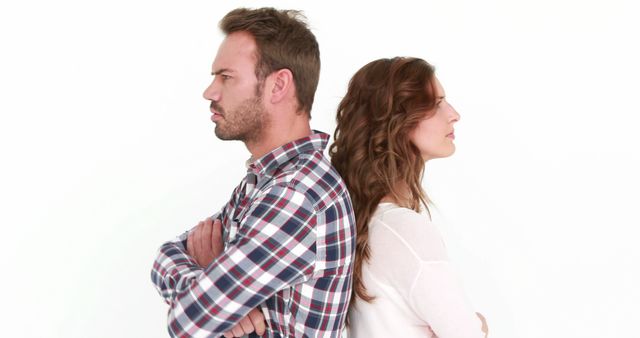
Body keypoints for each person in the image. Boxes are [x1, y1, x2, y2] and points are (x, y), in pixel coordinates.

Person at [151, 8, 356, 338]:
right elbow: (166, 256)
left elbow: (189, 323)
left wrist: (211, 289)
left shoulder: (298, 194)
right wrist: (211, 282)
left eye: (226, 77)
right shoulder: (265, 181)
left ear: (278, 85)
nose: (210, 92)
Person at [329, 57, 489, 338]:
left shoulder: (354, 222)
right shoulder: (404, 230)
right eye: (436, 104)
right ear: (397, 122)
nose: (453, 114)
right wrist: (481, 325)